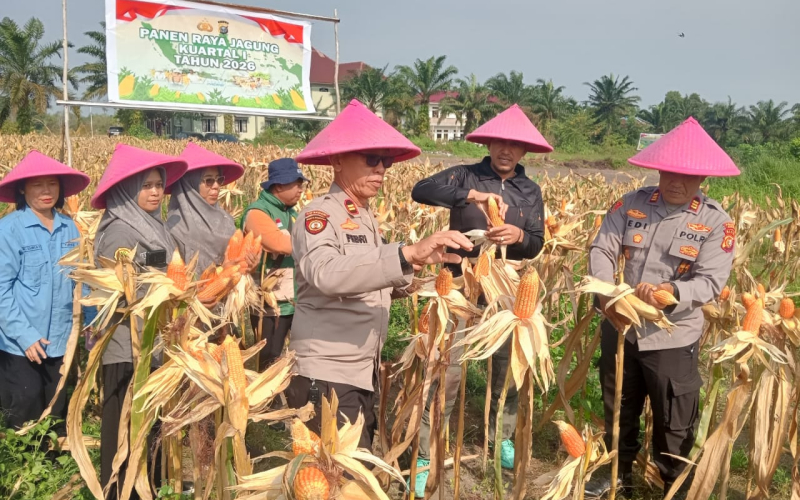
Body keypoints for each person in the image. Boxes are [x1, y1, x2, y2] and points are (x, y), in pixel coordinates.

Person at [285, 99, 475, 448]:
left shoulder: (365, 218)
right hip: (326, 373)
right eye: (371, 159)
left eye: (385, 161)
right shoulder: (319, 216)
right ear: (337, 160)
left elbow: (372, 281)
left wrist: (429, 278)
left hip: (360, 369)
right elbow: (326, 274)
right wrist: (404, 253)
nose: (381, 169)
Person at [585, 117, 739, 500]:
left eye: (687, 175)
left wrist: (670, 291)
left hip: (672, 335)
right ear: (659, 168)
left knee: (674, 417)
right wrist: (608, 297)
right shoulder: (632, 204)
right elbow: (603, 248)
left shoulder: (716, 223)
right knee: (618, 403)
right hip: (621, 325)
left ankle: (675, 483)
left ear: (703, 178)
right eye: (669, 171)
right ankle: (616, 473)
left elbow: (709, 282)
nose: (675, 181)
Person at [409, 103, 551, 494]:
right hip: (458, 284)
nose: (505, 150)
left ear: (524, 152)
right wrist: (470, 195)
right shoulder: (465, 174)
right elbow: (420, 189)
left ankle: (499, 438)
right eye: (498, 143)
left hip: (506, 287)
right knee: (446, 367)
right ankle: (425, 450)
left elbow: (536, 243)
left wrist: (518, 237)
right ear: (488, 143)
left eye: (514, 146)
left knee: (507, 367)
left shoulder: (530, 190)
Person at [91, 144, 187, 500]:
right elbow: (116, 290)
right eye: (145, 186)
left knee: (150, 427)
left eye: (158, 185)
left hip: (152, 344)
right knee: (124, 429)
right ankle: (119, 492)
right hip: (126, 348)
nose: (154, 192)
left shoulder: (155, 225)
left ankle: (148, 489)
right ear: (126, 190)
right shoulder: (118, 230)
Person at [0, 151, 90, 433]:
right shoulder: (9, 230)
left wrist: (91, 321)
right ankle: (25, 476)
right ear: (22, 189)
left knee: (56, 414)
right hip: (20, 344)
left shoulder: (70, 228)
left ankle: (53, 470)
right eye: (37, 184)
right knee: (25, 413)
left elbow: (82, 280)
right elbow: (1, 289)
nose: (46, 191)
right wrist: (25, 336)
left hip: (62, 340)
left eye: (52, 183)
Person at [243, 158, 308, 371]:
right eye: (296, 184)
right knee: (269, 360)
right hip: (271, 306)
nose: (301, 189)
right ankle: (266, 403)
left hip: (294, 301)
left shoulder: (292, 212)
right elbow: (279, 244)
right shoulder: (258, 213)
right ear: (279, 185)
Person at [166, 142, 246, 274]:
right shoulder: (176, 227)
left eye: (219, 180)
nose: (216, 186)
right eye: (209, 181)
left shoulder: (226, 219)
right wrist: (221, 271)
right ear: (190, 185)